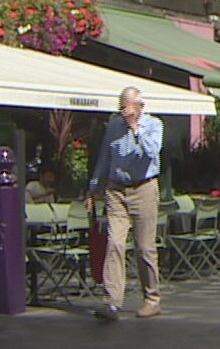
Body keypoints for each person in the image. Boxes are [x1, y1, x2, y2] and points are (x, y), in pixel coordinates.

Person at [85, 86, 162, 322]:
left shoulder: (154, 125)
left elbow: (151, 152)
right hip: (116, 189)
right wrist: (93, 188)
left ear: (140, 107)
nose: (124, 111)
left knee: (144, 248)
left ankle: (152, 299)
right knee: (114, 243)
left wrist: (134, 128)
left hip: (144, 188)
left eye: (128, 106)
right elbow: (105, 158)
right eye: (121, 107)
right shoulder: (113, 127)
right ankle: (112, 301)